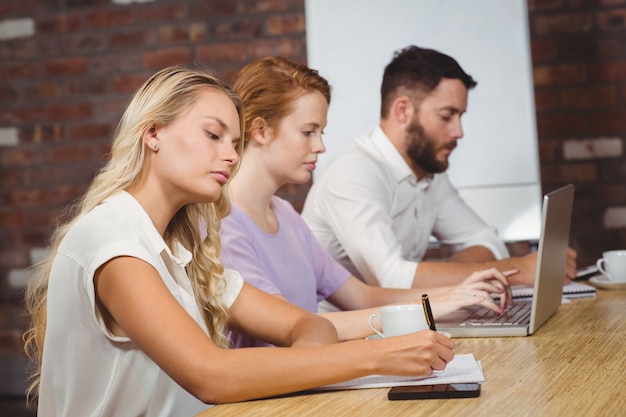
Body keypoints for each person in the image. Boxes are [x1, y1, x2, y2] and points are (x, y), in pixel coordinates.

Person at [22, 65, 456, 417]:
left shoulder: (183, 251)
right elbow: (210, 375)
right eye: (213, 135)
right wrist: (378, 358)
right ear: (152, 133)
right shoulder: (111, 238)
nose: (230, 154)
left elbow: (305, 324)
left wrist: (305, 362)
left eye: (235, 142)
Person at [219, 56, 512, 348]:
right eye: (308, 132)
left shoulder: (285, 214)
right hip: (283, 390)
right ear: (261, 131)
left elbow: (362, 296)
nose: (320, 146)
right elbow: (299, 325)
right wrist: (428, 307)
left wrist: (453, 295)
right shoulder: (224, 225)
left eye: (321, 132)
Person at [301, 45, 577, 290]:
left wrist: (446, 278)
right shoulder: (355, 173)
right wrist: (516, 272)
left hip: (398, 326)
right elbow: (391, 279)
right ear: (403, 111)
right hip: (340, 336)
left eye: (461, 116)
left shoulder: (428, 174)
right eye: (447, 116)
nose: (459, 132)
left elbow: (487, 241)